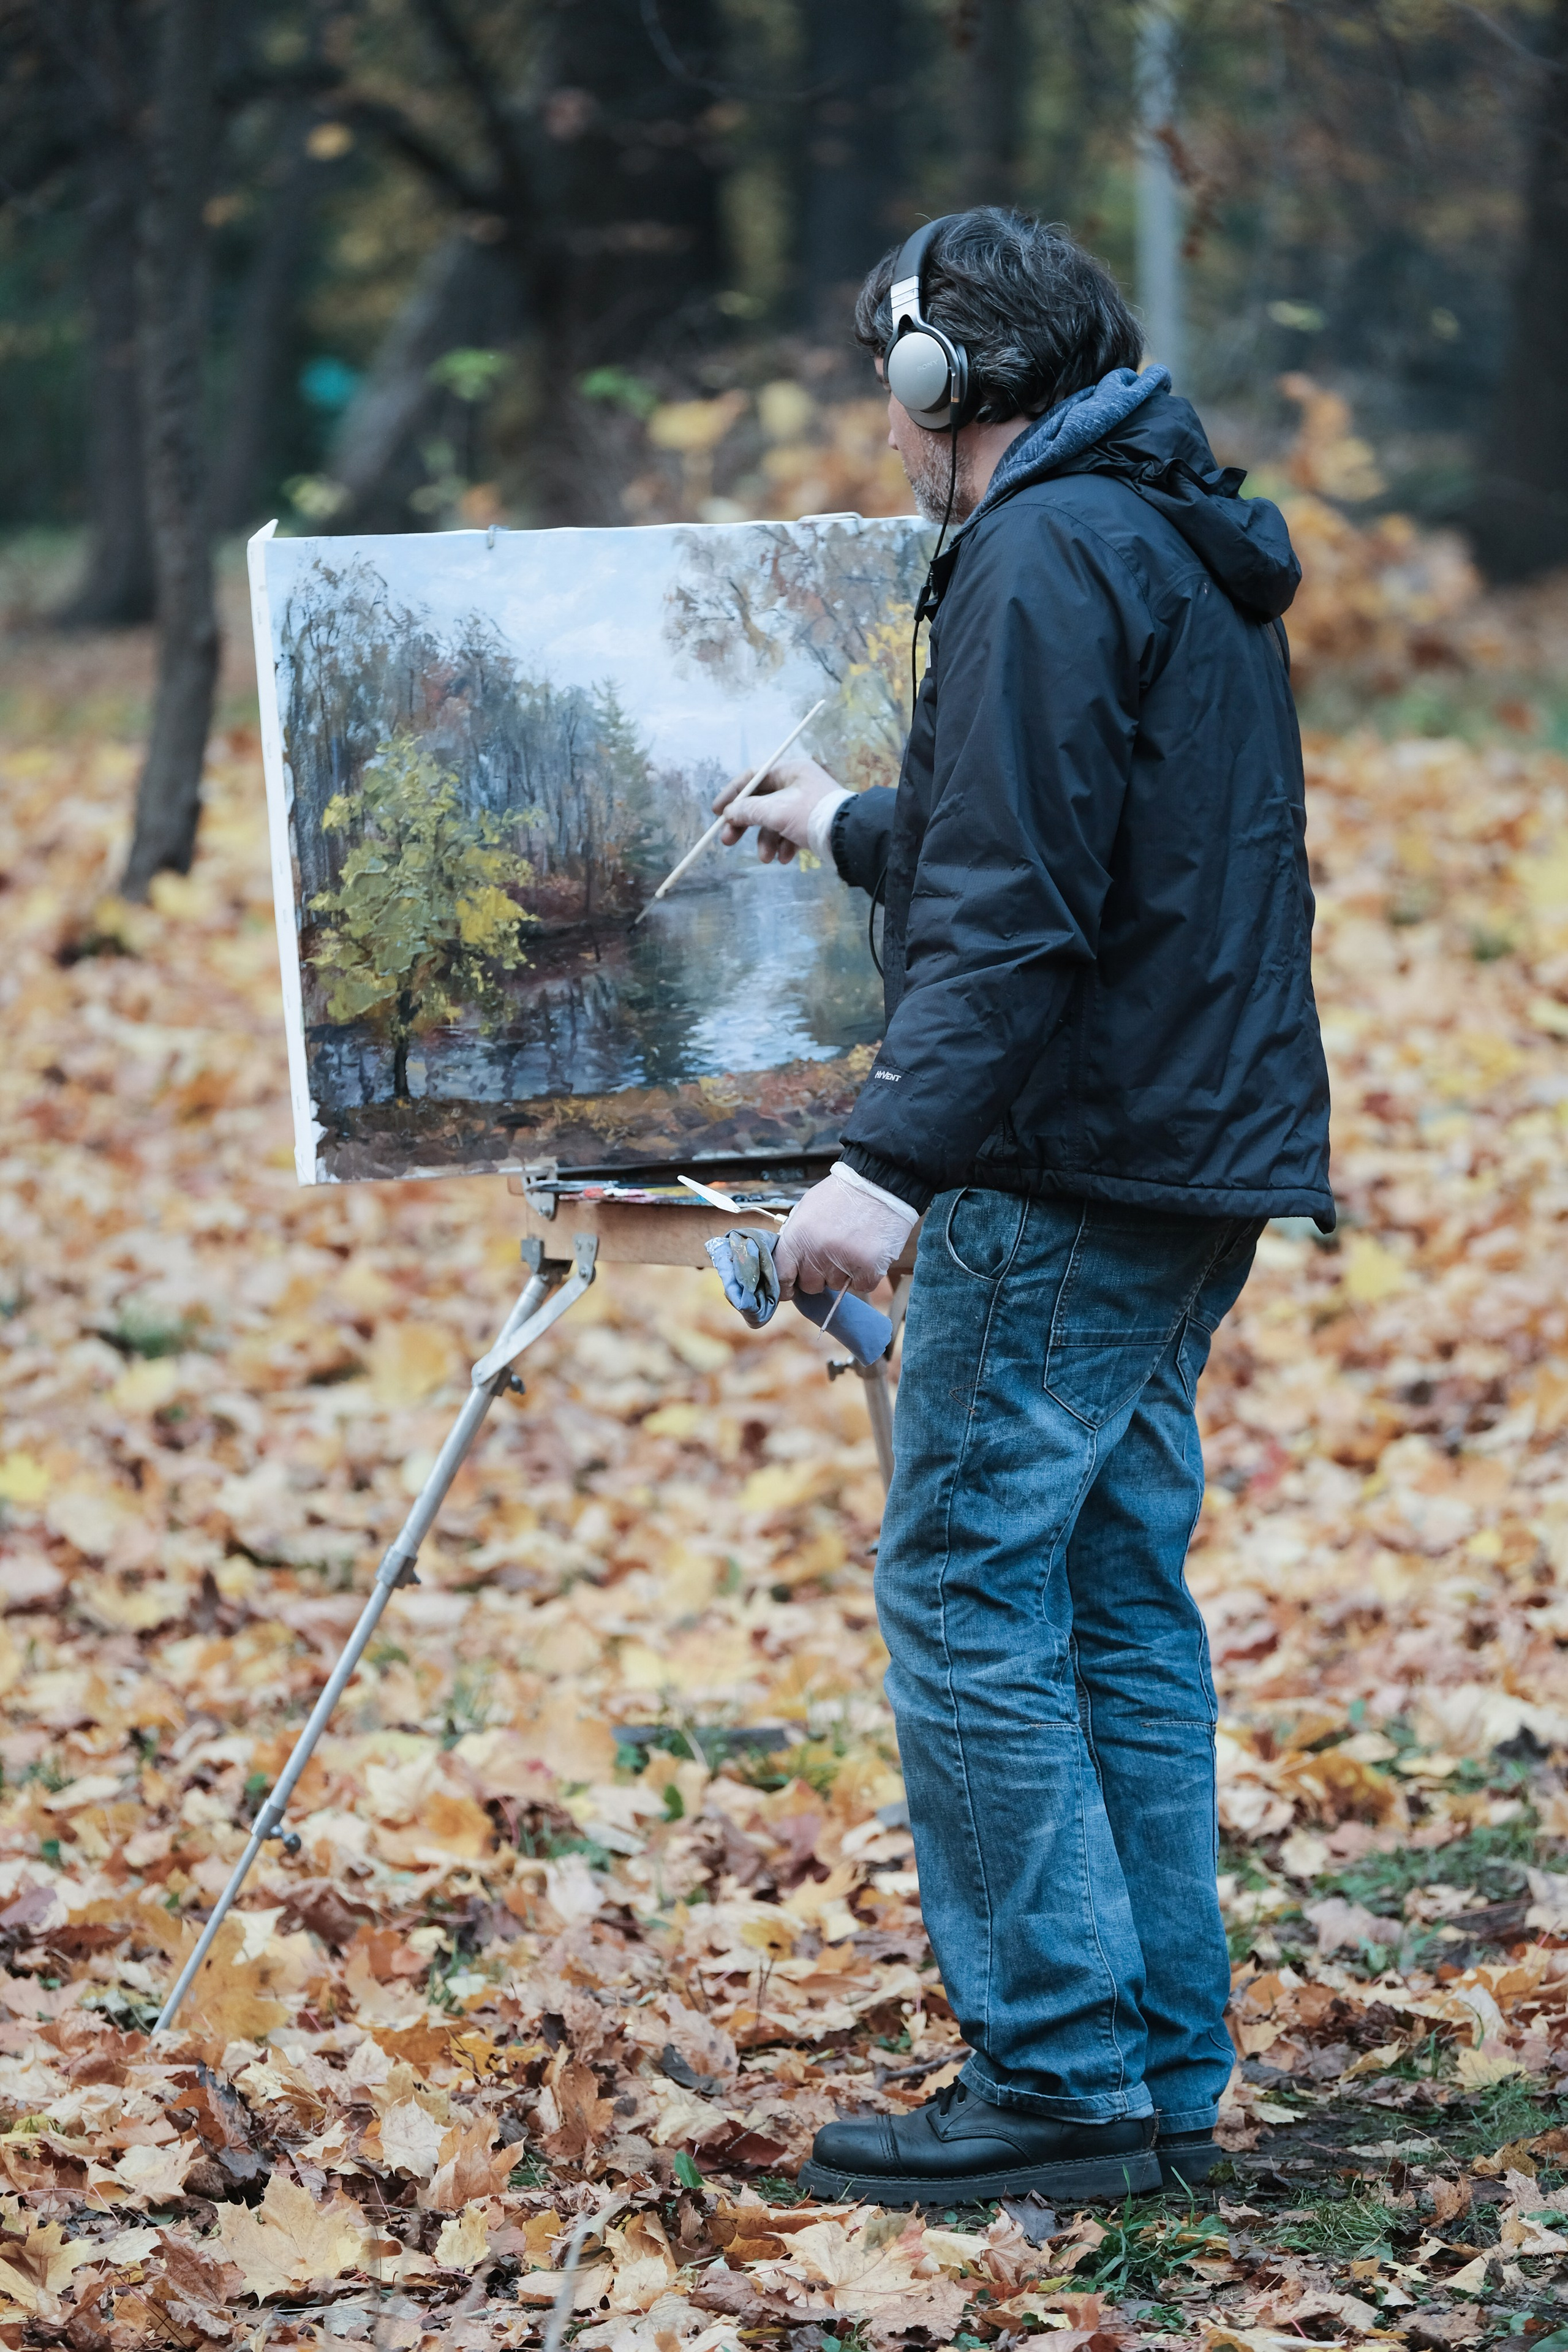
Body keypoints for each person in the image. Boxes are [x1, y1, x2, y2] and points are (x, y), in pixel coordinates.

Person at [711, 209, 1332, 2209]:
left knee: (969, 1591)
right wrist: (848, 827)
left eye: (885, 381)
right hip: (1181, 1161)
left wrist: (882, 1174)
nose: (883, 425)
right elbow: (1071, 835)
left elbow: (1020, 914)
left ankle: (1058, 2078)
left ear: (936, 376)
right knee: (1107, 1601)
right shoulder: (1154, 529)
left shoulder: (1043, 551)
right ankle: (1154, 2072)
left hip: (1068, 1170)